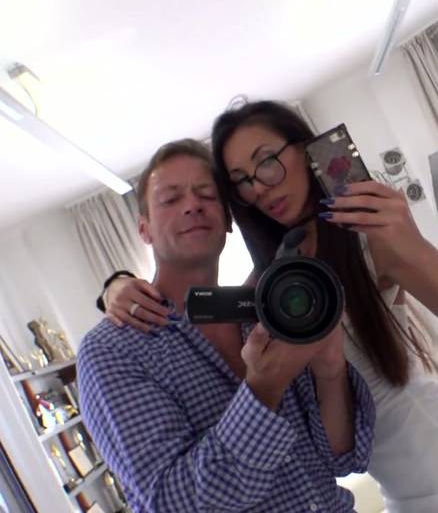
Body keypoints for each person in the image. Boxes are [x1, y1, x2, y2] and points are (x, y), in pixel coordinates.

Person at [99, 101, 438, 512]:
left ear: (305, 149)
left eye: (267, 161)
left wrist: (413, 245)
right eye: (242, 182)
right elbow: (201, 306)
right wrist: (115, 287)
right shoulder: (275, 276)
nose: (260, 188)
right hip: (400, 494)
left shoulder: (367, 237)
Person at [77, 138, 375, 513]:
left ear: (229, 221)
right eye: (170, 199)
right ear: (144, 230)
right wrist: (264, 387)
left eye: (207, 194)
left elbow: (339, 458)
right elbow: (170, 505)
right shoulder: (112, 350)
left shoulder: (265, 312)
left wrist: (330, 371)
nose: (192, 205)